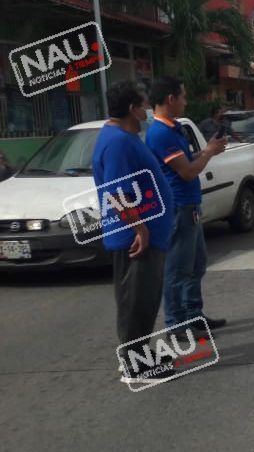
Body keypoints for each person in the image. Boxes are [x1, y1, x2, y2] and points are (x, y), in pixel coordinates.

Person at [91, 81, 176, 384]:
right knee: (136, 302)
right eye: (143, 104)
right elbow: (117, 194)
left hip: (143, 233)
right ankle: (135, 366)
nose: (148, 110)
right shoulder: (118, 142)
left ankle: (138, 356)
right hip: (135, 238)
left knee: (143, 300)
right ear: (132, 109)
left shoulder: (124, 137)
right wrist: (140, 228)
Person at [145, 77, 228, 341]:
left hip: (190, 206)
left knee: (196, 264)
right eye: (182, 96)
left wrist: (207, 151)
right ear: (170, 98)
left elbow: (189, 161)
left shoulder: (175, 128)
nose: (185, 101)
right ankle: (176, 323)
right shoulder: (159, 133)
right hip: (178, 207)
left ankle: (193, 313)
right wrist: (209, 153)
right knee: (177, 269)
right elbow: (188, 172)